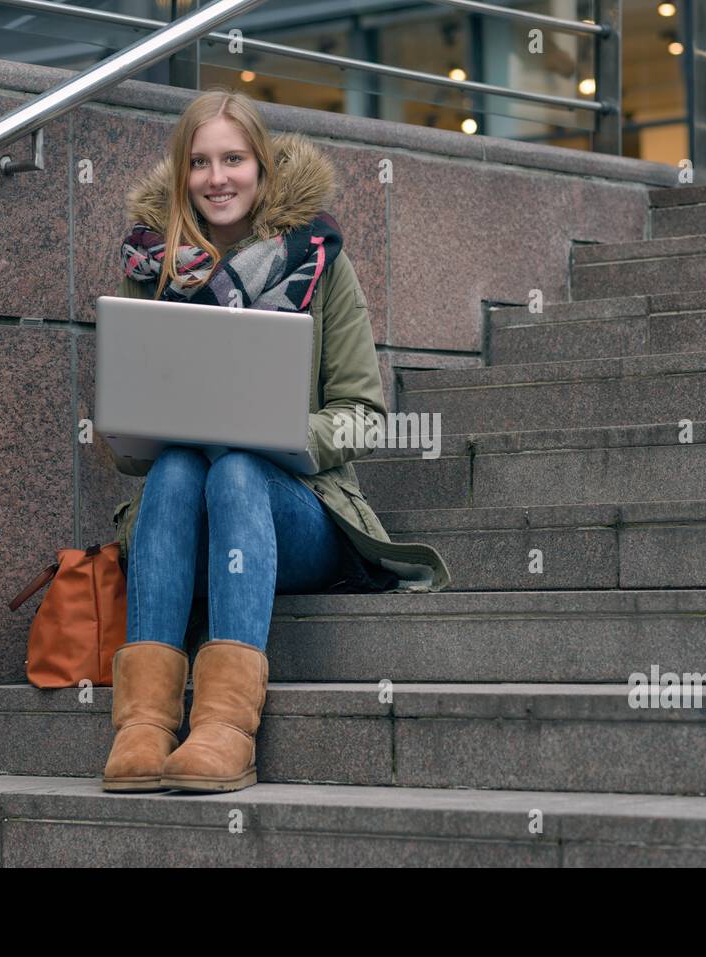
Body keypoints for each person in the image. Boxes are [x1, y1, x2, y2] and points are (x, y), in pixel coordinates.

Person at [99, 89, 451, 795]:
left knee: (235, 467)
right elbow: (126, 447)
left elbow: (362, 413)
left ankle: (226, 728)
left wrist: (279, 435)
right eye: (199, 162)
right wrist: (153, 426)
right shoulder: (151, 269)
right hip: (186, 507)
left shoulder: (318, 259)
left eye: (233, 159)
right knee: (171, 469)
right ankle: (142, 726)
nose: (216, 177)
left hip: (299, 513)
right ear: (181, 174)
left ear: (261, 167)